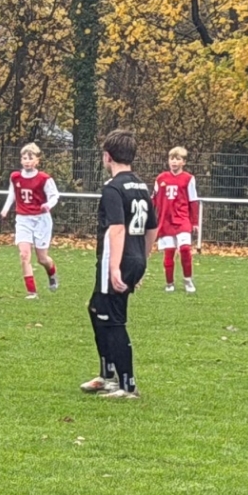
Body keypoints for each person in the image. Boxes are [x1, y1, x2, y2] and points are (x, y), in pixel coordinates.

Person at [82, 129, 155, 399]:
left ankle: (127, 385)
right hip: (135, 258)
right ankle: (107, 374)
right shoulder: (141, 187)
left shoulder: (112, 188)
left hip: (116, 259)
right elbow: (152, 228)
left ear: (107, 156)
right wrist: (142, 260)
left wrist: (114, 268)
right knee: (95, 309)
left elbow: (117, 229)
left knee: (112, 319)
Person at [0, 141, 60, 298]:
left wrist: (48, 205)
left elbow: (54, 196)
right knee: (24, 255)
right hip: (23, 219)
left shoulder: (44, 178)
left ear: (37, 160)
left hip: (41, 220)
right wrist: (6, 208)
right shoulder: (15, 177)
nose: (27, 161)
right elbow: (12, 193)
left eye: (30, 158)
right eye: (24, 158)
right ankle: (32, 292)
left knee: (42, 259)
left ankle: (52, 273)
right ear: (21, 160)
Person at [153, 146, 202, 293]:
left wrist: (194, 221)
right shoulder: (161, 178)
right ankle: (169, 283)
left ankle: (188, 280)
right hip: (166, 220)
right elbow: (154, 199)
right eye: (171, 159)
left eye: (178, 159)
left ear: (183, 162)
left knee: (185, 249)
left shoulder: (188, 179)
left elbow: (193, 201)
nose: (174, 162)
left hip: (182, 219)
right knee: (169, 252)